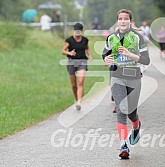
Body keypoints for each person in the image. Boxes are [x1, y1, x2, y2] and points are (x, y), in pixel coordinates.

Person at [102, 9, 150, 159]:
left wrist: (129, 54)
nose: (123, 21)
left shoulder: (138, 38)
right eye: (120, 19)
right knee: (121, 110)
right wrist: (106, 60)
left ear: (130, 21)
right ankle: (124, 145)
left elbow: (146, 60)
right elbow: (105, 54)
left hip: (134, 77)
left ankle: (136, 125)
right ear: (117, 21)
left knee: (131, 112)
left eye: (126, 19)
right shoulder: (111, 38)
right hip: (117, 76)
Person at [61, 23, 93, 110]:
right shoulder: (69, 40)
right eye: (76, 31)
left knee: (80, 81)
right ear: (74, 31)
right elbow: (63, 51)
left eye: (79, 31)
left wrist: (90, 56)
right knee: (74, 85)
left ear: (81, 31)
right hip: (71, 62)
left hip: (82, 61)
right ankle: (76, 99)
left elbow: (87, 48)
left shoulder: (85, 40)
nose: (77, 32)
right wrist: (69, 53)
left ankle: (79, 102)